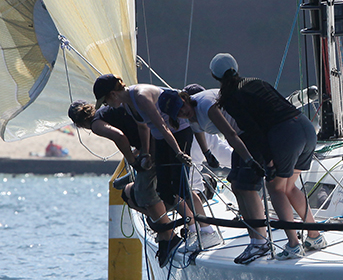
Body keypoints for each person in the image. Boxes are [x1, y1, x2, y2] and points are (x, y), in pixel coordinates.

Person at [208, 53, 324, 264]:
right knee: (289, 187)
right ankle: (315, 236)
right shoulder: (256, 81)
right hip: (306, 127)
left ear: (215, 77)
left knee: (276, 189)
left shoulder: (231, 97)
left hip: (286, 135)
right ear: (237, 67)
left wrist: (268, 160)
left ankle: (293, 245)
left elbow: (253, 131)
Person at [93, 74, 216, 252]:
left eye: (105, 101)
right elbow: (144, 127)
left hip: (178, 133)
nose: (106, 106)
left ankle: (206, 230)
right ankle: (192, 228)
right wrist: (146, 153)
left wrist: (179, 152)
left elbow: (162, 126)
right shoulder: (127, 103)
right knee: (164, 190)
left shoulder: (140, 96)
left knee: (180, 185)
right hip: (161, 139)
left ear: (113, 94)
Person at [67, 100, 182, 266]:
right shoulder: (107, 111)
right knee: (129, 194)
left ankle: (168, 235)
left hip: (156, 144)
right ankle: (163, 225)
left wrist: (133, 160)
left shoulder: (96, 124)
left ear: (78, 124)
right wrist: (140, 150)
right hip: (157, 140)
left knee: (144, 191)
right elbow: (134, 126)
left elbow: (120, 137)